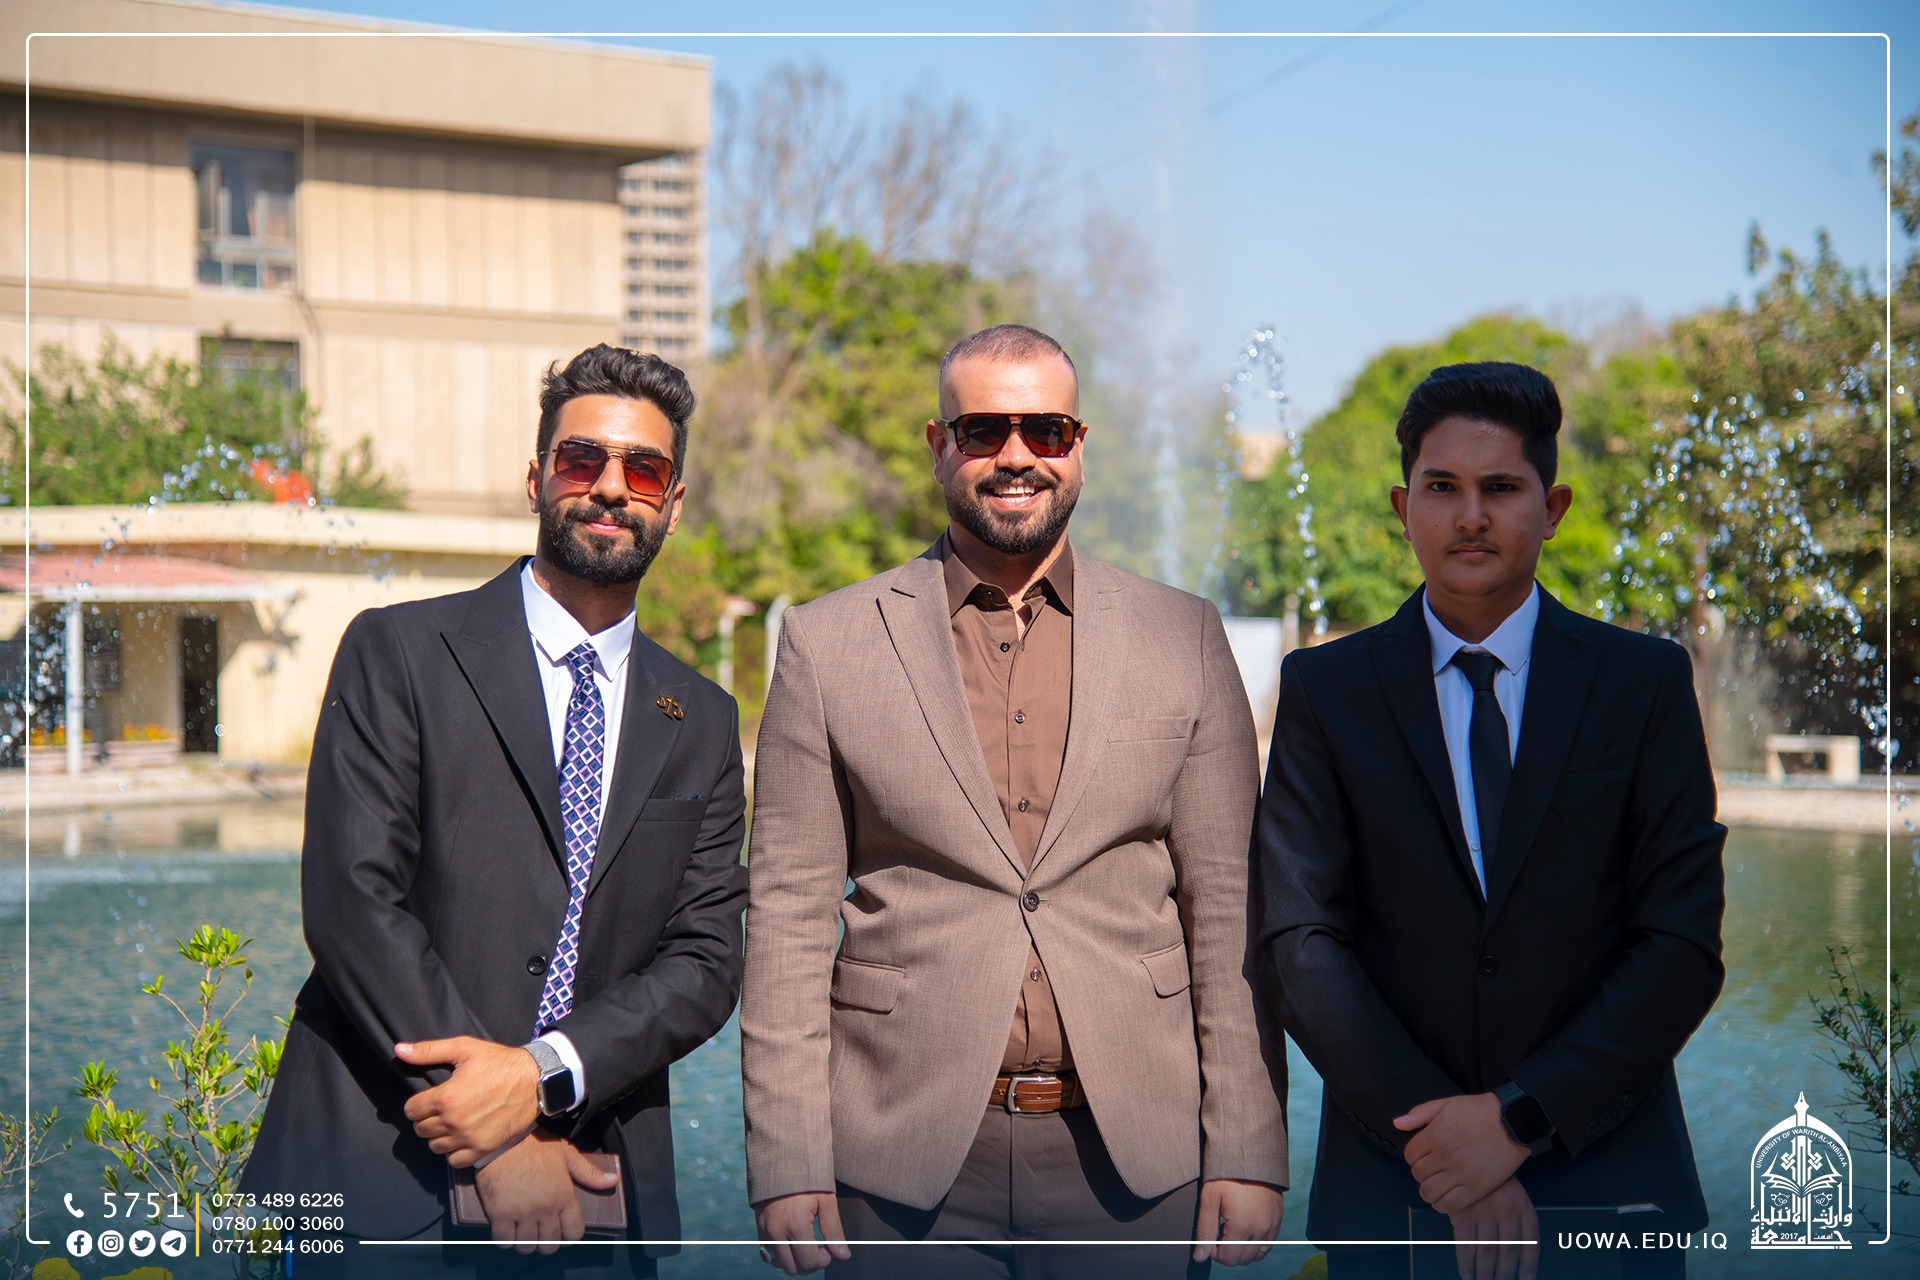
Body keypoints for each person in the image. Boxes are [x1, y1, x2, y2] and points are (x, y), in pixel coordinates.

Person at [741, 324, 1288, 1280]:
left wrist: (1246, 1143)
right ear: (938, 444)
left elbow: (1229, 907)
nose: (1017, 455)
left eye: (1046, 429)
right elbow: (785, 917)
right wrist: (786, 1158)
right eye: (984, 430)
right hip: (898, 1164)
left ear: (1079, 444)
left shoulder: (1184, 636)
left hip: (1137, 1162)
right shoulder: (828, 643)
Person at [244, 345, 749, 1277]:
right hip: (383, 1178)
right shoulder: (400, 652)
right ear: (536, 477)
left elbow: (707, 961)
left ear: (673, 503)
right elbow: (353, 900)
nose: (610, 487)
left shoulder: (704, 720)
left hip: (593, 1193)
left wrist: (540, 1076)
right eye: (581, 459)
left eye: (643, 470)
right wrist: (497, 1130)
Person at [1253, 362, 1726, 1280]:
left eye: (1501, 488)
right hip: (1394, 1189)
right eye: (1442, 488)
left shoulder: (1643, 684)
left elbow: (1680, 943)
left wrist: (1519, 1118)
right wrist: (1444, 1146)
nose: (1470, 516)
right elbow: (1300, 940)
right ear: (1404, 508)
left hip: (1607, 1186)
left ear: (1553, 508)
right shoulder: (1325, 690)